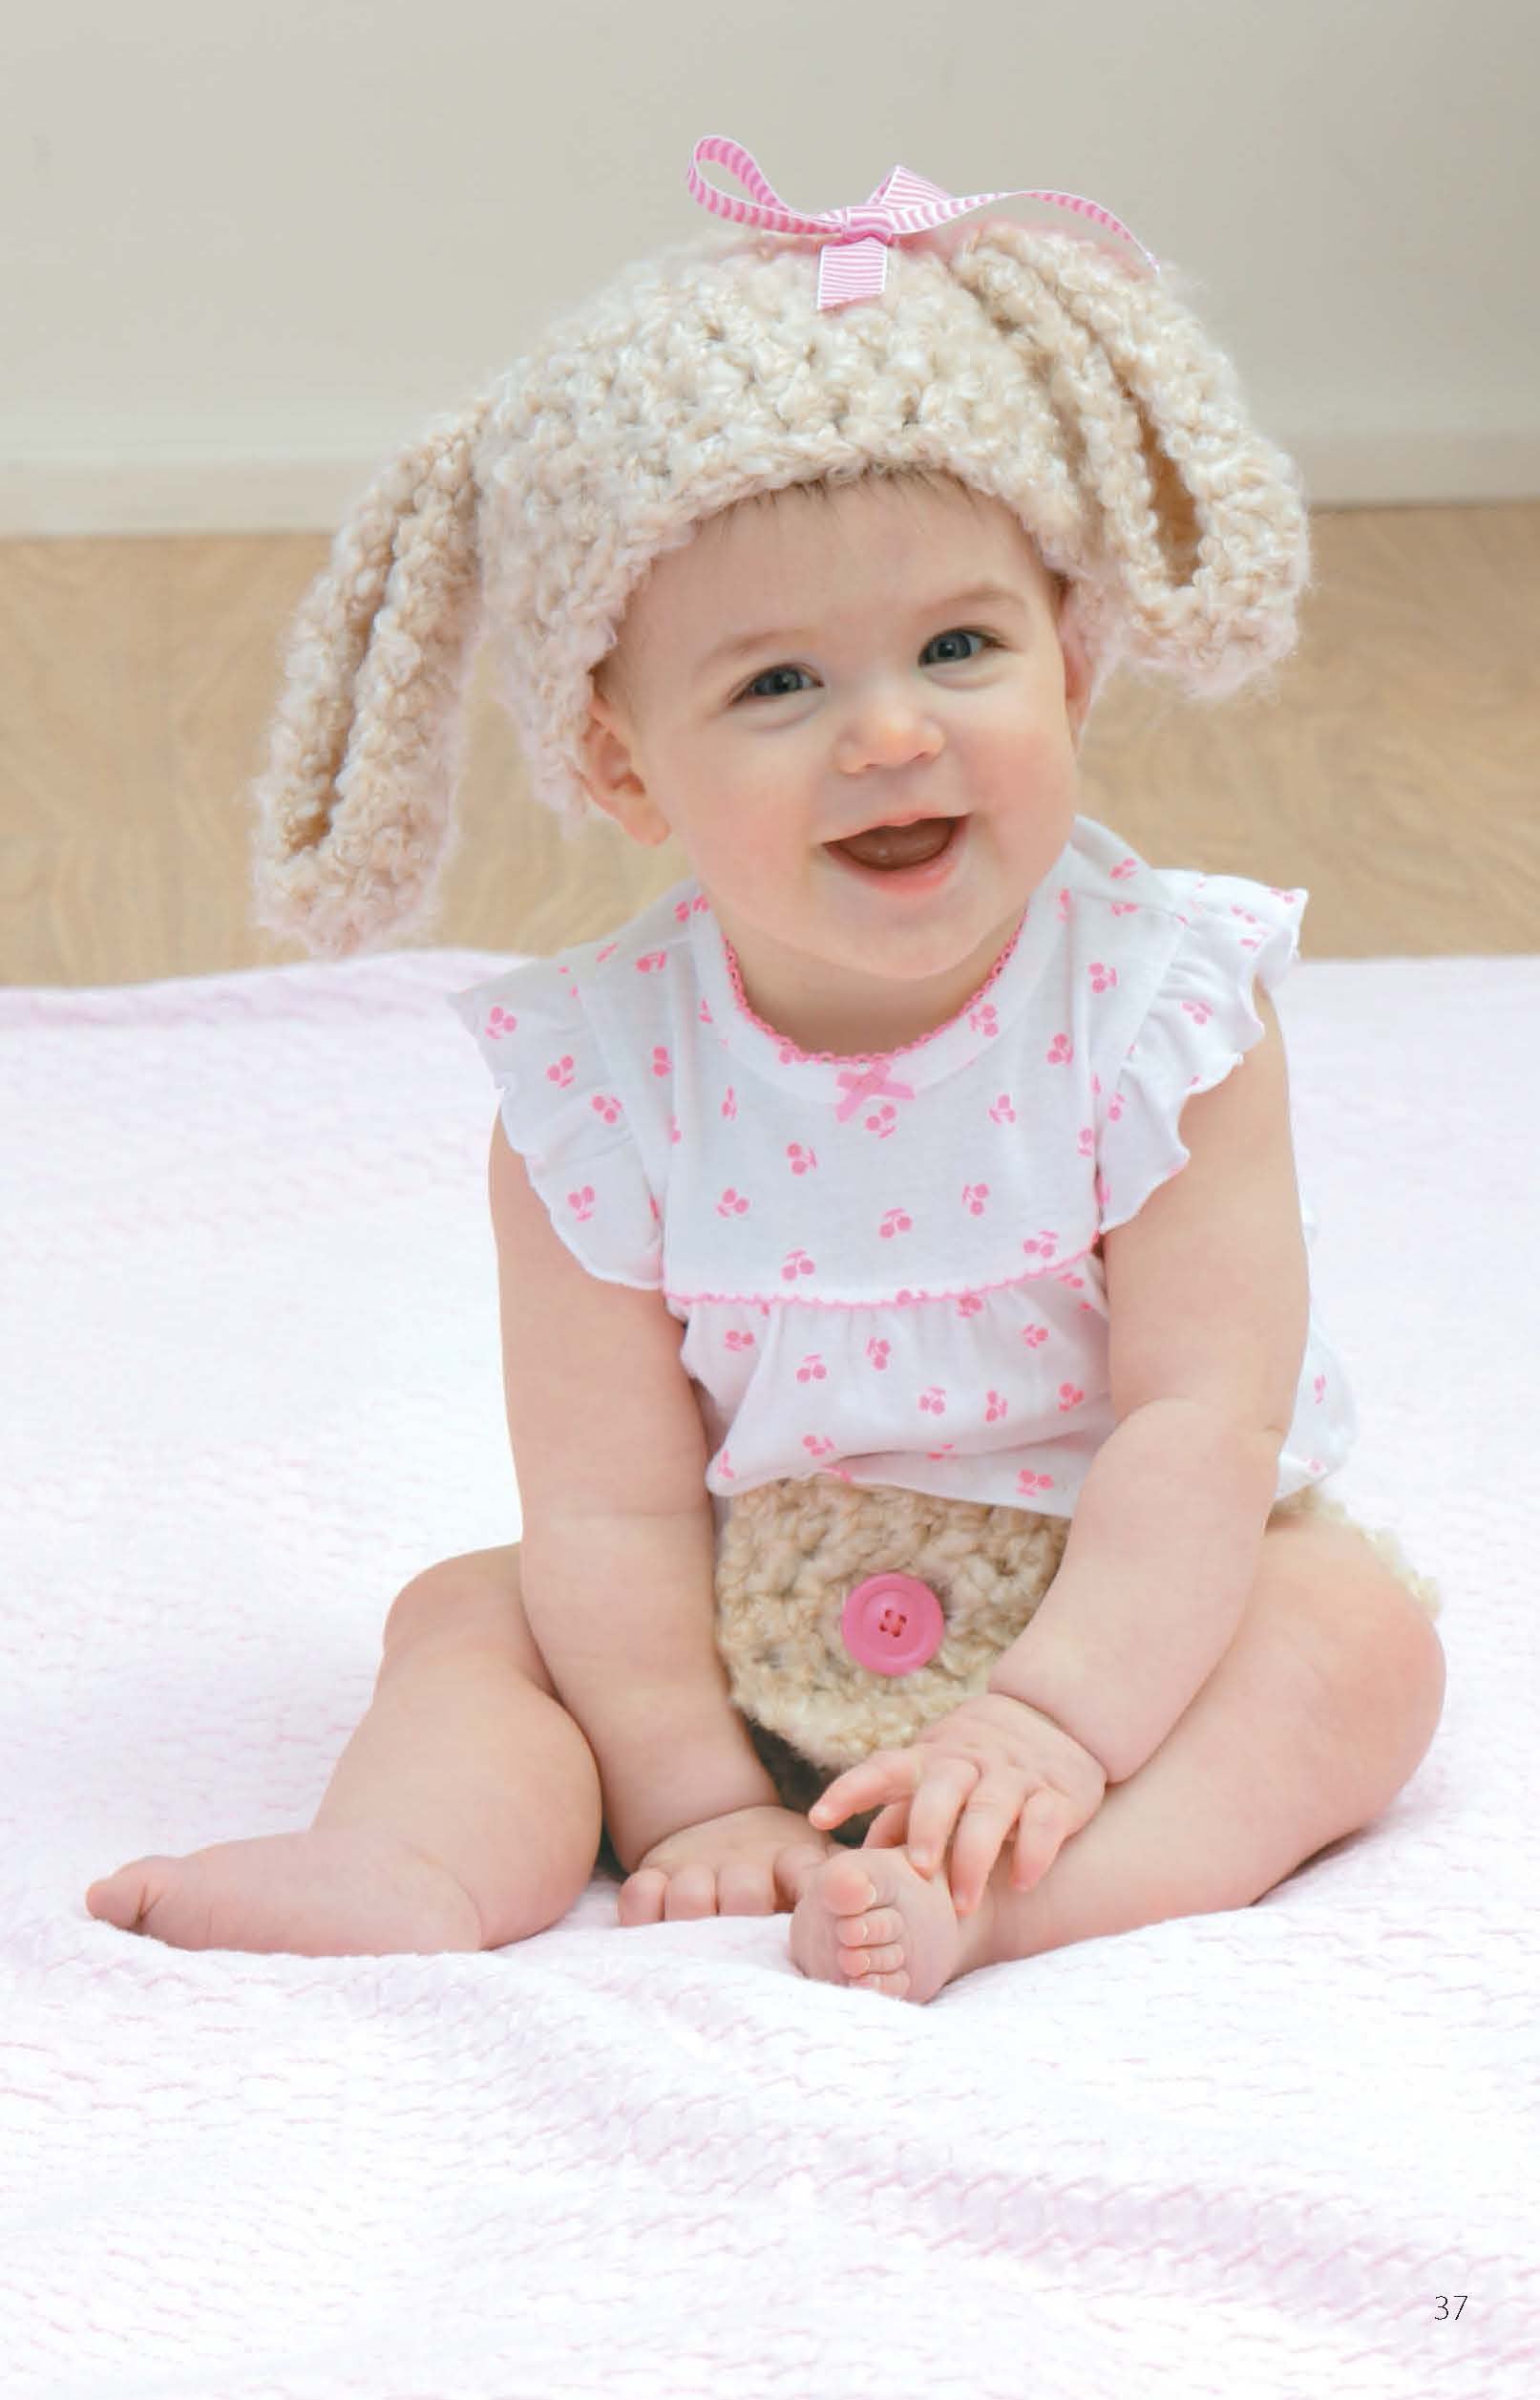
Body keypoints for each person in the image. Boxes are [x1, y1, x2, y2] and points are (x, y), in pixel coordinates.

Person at [84, 138, 1445, 2004]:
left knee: (1356, 1641)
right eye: (778, 686)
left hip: (1125, 1598)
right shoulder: (598, 1082)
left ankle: (1043, 1896)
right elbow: (610, 1505)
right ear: (626, 767)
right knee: (469, 1617)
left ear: (1073, 662)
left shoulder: (1165, 1014)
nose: (890, 732)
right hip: (736, 1603)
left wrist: (1051, 1730)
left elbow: (1200, 1423)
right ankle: (410, 1861)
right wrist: (689, 1786)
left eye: (961, 645)